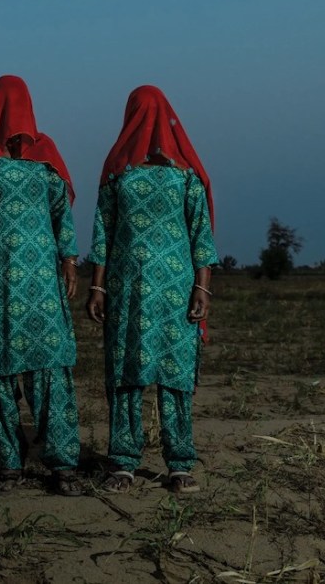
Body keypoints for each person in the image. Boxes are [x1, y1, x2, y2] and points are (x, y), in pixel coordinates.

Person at [0, 75, 83, 497]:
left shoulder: (46, 157)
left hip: (41, 278)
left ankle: (62, 463)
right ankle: (9, 463)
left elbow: (62, 214)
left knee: (49, 367)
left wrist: (70, 259)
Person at [85, 85, 217, 494]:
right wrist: (97, 287)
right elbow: (102, 232)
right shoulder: (116, 173)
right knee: (127, 374)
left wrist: (203, 288)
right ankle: (123, 462)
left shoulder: (185, 175)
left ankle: (179, 464)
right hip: (126, 289)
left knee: (174, 375)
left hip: (175, 291)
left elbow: (202, 235)